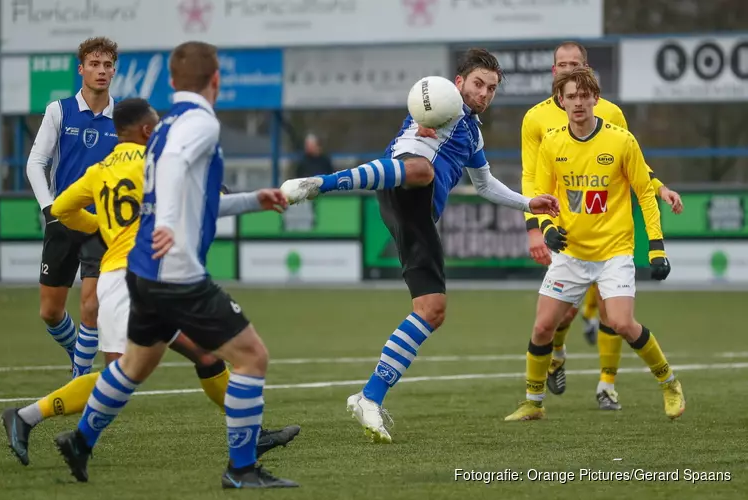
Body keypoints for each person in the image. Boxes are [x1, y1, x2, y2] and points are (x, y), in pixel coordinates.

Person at [280, 48, 559, 443]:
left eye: (492, 88)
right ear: (459, 82)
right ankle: (321, 184)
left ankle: (368, 397)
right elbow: (423, 112)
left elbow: (483, 185)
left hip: (417, 215)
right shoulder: (443, 103)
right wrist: (423, 121)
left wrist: (527, 202)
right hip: (403, 182)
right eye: (478, 84)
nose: (484, 93)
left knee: (432, 310)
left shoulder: (473, 132)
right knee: (421, 169)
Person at [1, 98, 299, 467]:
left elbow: (61, 208)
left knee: (201, 355)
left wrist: (101, 228)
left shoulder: (99, 169)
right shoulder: (154, 165)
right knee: (122, 374)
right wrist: (246, 199)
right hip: (135, 281)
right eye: (156, 126)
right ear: (146, 131)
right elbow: (205, 201)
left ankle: (251, 436)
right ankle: (29, 417)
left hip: (130, 278)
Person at [504, 67, 685, 422]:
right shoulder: (552, 142)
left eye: (585, 96)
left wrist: (657, 247)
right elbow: (543, 195)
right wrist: (547, 226)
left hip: (614, 252)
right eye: (571, 96)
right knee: (543, 327)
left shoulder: (621, 141)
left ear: (595, 99)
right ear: (561, 101)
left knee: (621, 322)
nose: (578, 103)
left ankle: (669, 382)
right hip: (571, 252)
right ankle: (533, 402)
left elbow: (645, 195)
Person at [26, 37, 121, 377]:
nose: (101, 71)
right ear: (81, 69)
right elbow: (36, 163)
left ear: (114, 71)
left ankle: (80, 381)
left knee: (91, 306)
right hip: (63, 219)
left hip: (102, 224)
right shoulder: (59, 110)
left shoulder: (123, 116)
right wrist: (48, 209)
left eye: (107, 65)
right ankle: (76, 351)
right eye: (94, 64)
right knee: (50, 313)